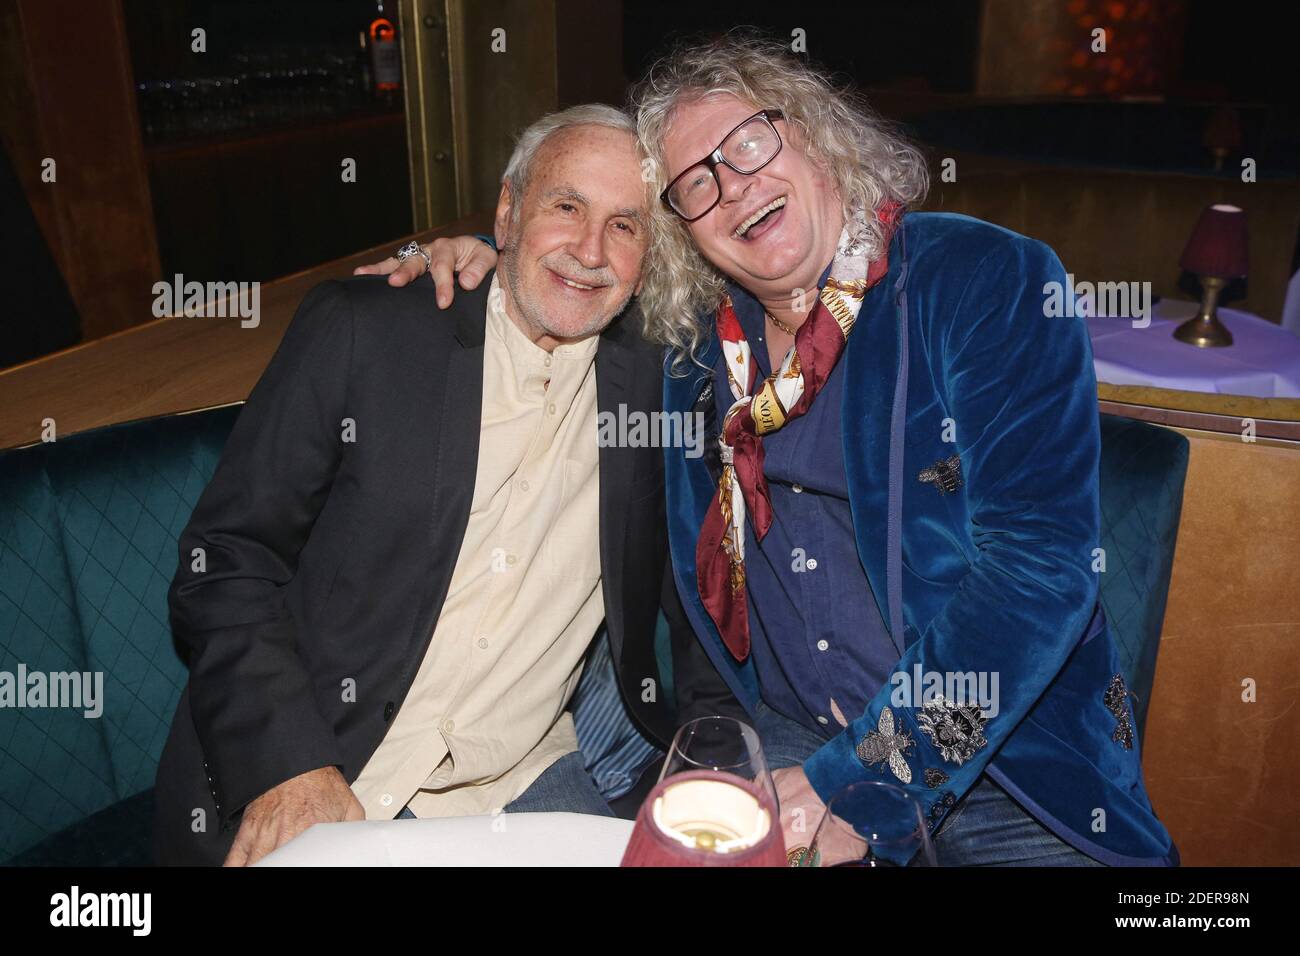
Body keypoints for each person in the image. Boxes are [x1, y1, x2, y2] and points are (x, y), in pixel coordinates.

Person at [361, 34, 1178, 867]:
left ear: (820, 135)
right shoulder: (690, 349)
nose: (733, 189)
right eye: (695, 184)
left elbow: (1040, 575)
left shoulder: (982, 282)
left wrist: (859, 779)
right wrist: (478, 264)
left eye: (749, 143)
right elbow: (573, 270)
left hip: (1011, 766)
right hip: (782, 740)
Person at [154, 104, 711, 866]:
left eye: (626, 225)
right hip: (330, 765)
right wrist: (289, 765)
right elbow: (222, 560)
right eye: (566, 206)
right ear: (509, 213)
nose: (589, 250)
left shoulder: (663, 379)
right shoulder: (367, 333)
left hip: (521, 774)